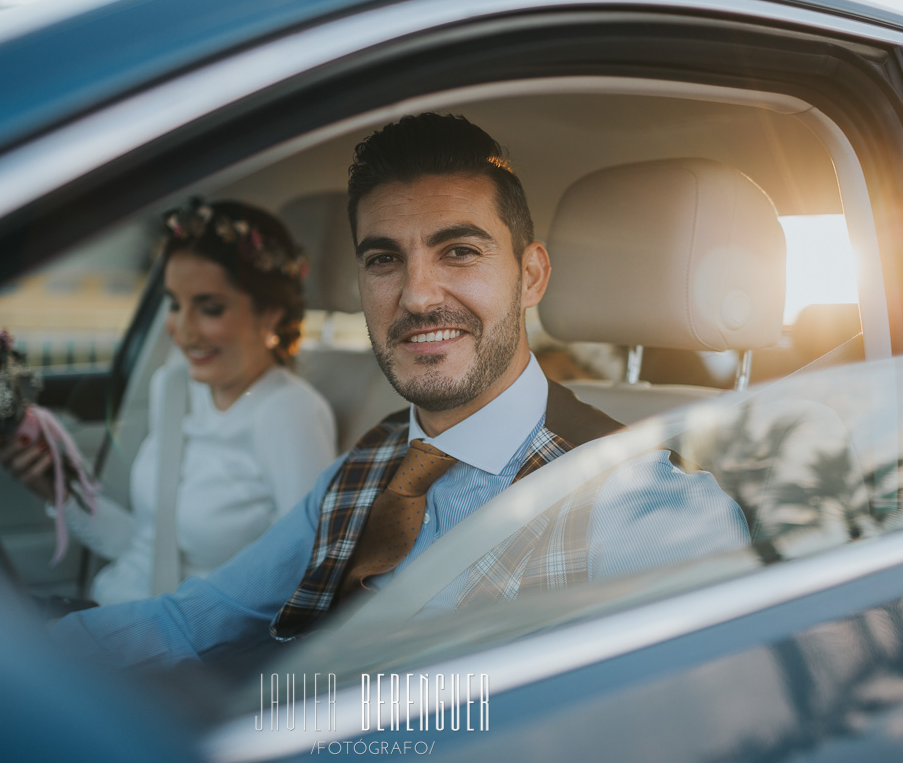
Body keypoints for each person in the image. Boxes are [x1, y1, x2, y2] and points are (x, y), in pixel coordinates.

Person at [51, 114, 748, 664]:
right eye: (384, 259)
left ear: (530, 276)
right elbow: (193, 621)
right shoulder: (365, 468)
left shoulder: (645, 509)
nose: (416, 296)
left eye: (459, 251)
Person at [2, 200, 337, 605]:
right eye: (175, 304)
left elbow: (310, 577)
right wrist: (61, 491)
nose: (182, 330)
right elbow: (147, 546)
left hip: (187, 649)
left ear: (270, 313)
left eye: (210, 308)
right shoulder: (174, 387)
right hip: (107, 609)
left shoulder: (288, 412)